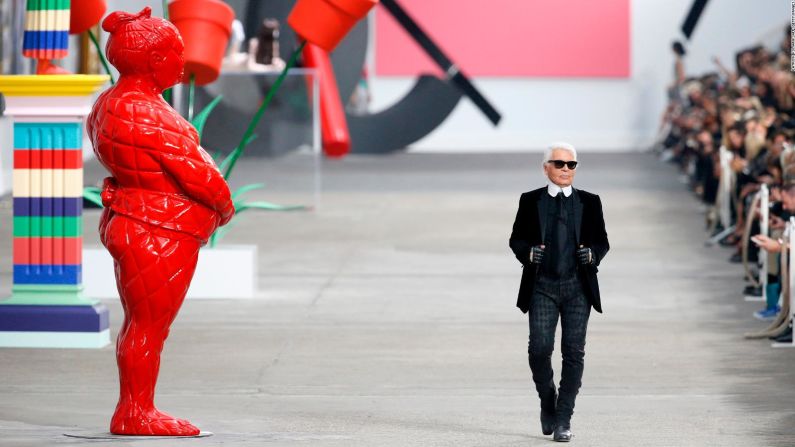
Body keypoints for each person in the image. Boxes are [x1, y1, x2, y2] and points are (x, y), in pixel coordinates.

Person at [87, 8, 234, 436]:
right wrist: (224, 208)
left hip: (131, 221)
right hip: (158, 229)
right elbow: (199, 175)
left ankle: (135, 407)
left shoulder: (107, 104)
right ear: (153, 61)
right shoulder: (151, 114)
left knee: (139, 323)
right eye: (175, 52)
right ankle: (136, 412)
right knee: (149, 327)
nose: (181, 62)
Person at [509, 142, 609, 442]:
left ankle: (564, 417)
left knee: (573, 352)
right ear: (546, 168)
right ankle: (547, 398)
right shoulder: (530, 201)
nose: (566, 169)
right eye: (559, 164)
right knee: (539, 349)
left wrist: (592, 255)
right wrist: (528, 254)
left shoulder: (590, 202)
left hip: (578, 287)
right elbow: (515, 239)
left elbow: (603, 241)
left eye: (571, 165)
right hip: (542, 286)